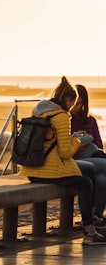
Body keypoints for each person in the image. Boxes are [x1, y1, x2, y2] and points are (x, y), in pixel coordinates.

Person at [19, 76, 106, 244]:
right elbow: (65, 153)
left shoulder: (40, 110)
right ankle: (89, 230)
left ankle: (93, 220)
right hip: (49, 170)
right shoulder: (61, 116)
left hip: (32, 170)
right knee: (85, 183)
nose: (72, 107)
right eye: (72, 103)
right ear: (67, 99)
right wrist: (77, 140)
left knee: (88, 170)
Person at [71, 84, 104, 157]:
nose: (74, 107)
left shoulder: (90, 120)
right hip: (72, 155)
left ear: (83, 103)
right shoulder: (64, 119)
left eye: (77, 104)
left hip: (90, 154)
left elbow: (99, 145)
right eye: (72, 104)